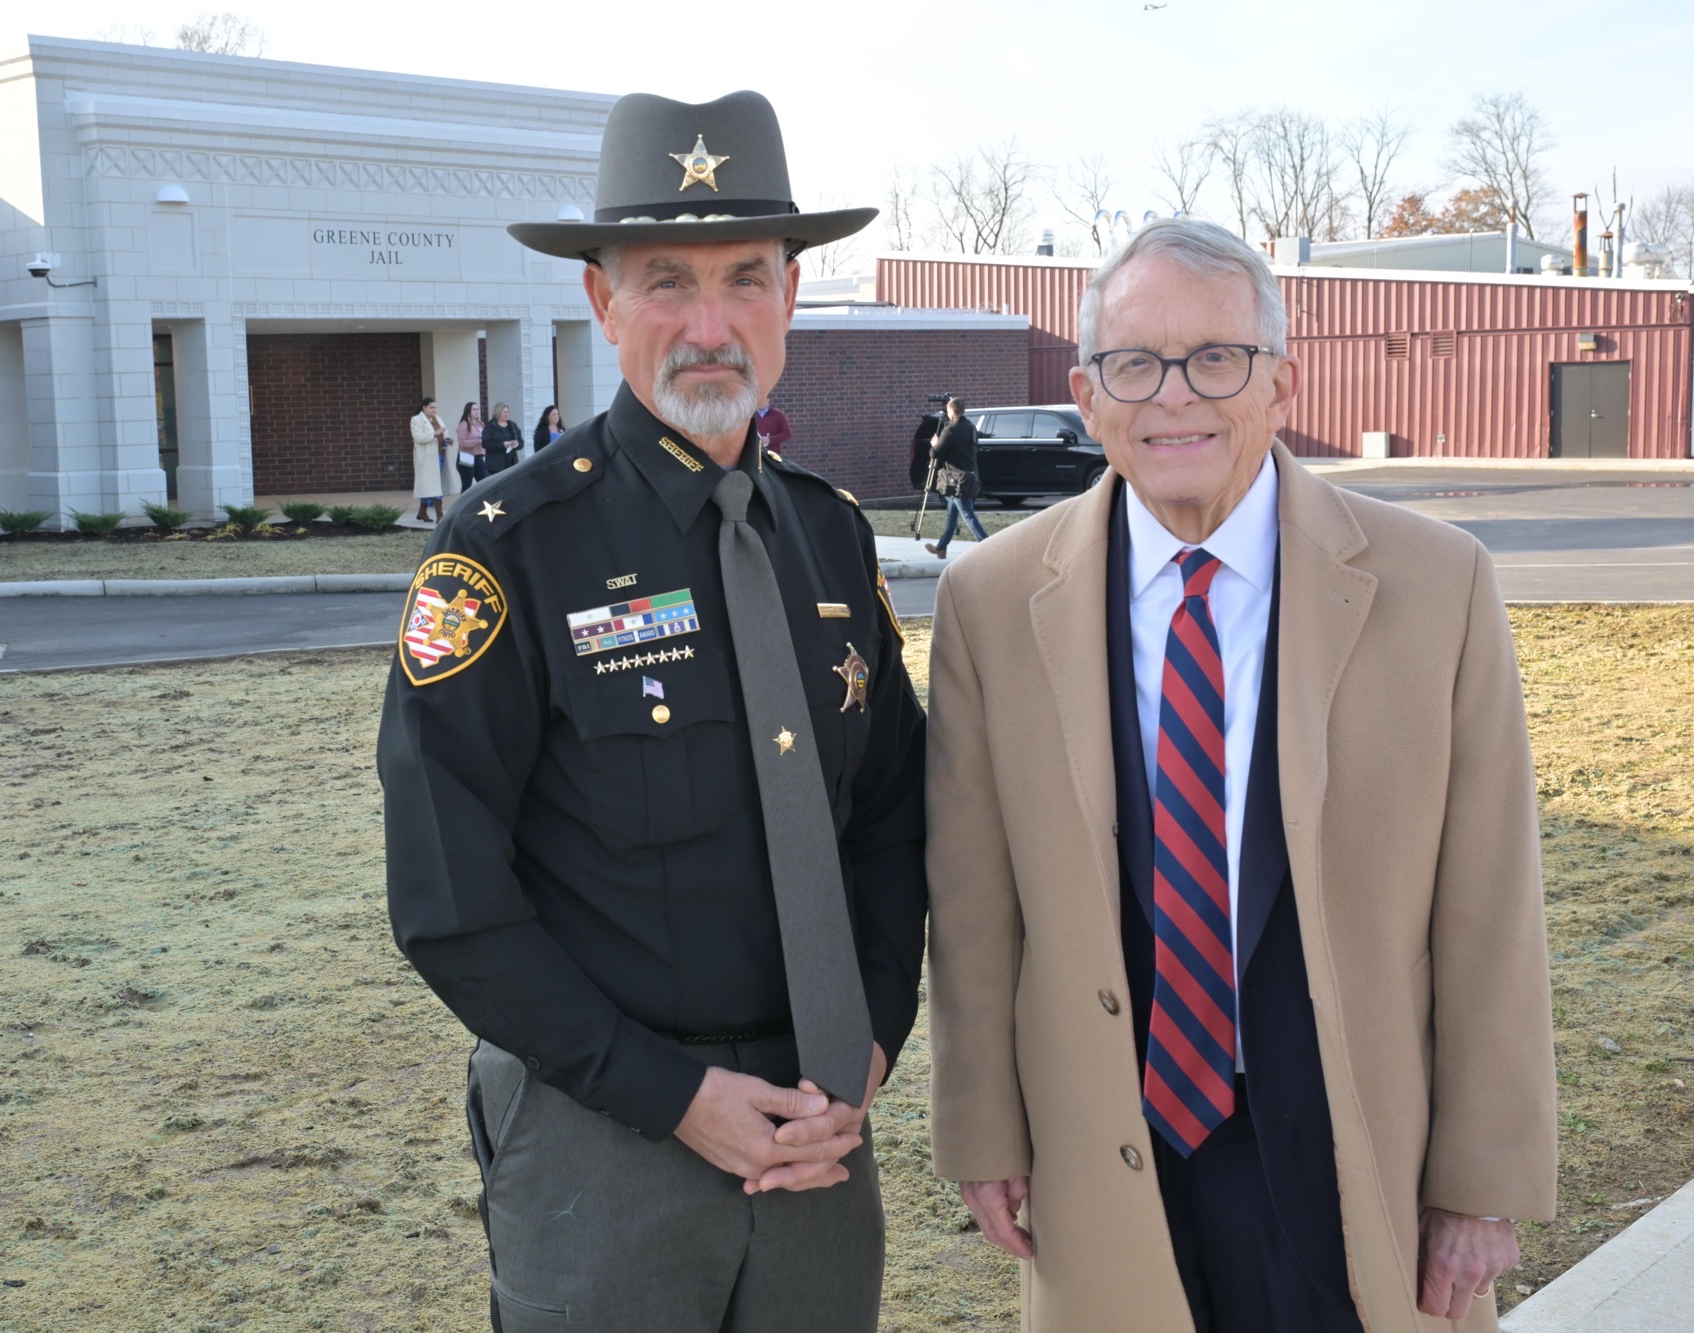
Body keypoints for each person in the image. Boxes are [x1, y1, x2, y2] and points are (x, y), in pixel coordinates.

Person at [925, 218, 1555, 1333]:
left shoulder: (1434, 584)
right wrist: (982, 1130)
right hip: (1107, 1150)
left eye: (1215, 357)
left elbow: (1490, 904)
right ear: (1085, 390)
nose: (1174, 397)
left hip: (1355, 1150)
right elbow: (975, 904)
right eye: (1133, 362)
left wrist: (1482, 1177)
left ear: (1280, 381)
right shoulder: (991, 600)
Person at [378, 90, 924, 1331]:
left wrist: (868, 1042)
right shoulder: (507, 546)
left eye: (744, 277)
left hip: (815, 1129)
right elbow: (449, 900)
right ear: (600, 301)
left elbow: (890, 817)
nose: (709, 323)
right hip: (602, 1138)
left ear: (790, 294)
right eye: (665, 280)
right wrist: (674, 1094)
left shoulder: (831, 538)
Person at [923, 396, 987, 558]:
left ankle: (988, 545)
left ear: (952, 411)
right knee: (952, 514)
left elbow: (934, 453)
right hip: (971, 478)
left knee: (967, 515)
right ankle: (941, 548)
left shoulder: (950, 430)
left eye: (948, 411)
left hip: (957, 481)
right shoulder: (971, 427)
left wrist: (935, 443)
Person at [410, 395, 451, 523]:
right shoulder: (416, 420)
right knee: (433, 486)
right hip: (427, 457)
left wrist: (447, 439)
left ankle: (422, 512)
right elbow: (418, 437)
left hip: (440, 454)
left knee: (431, 485)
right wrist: (435, 433)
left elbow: (444, 433)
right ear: (424, 407)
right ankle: (440, 515)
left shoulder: (437, 418)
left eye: (435, 407)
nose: (434, 410)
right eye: (431, 407)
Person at [482, 402, 525, 472]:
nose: (507, 414)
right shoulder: (490, 426)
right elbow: (485, 443)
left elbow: (521, 442)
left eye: (508, 412)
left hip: (512, 463)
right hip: (496, 465)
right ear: (498, 413)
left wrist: (517, 445)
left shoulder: (512, 425)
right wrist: (502, 445)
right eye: (504, 412)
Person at [457, 400, 488, 492]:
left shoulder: (481, 424)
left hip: (478, 456)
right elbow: (462, 443)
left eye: (478, 409)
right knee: (467, 485)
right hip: (466, 457)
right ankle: (463, 505)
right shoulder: (464, 424)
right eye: (474, 409)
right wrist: (478, 441)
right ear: (468, 411)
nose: (476, 411)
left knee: (484, 482)